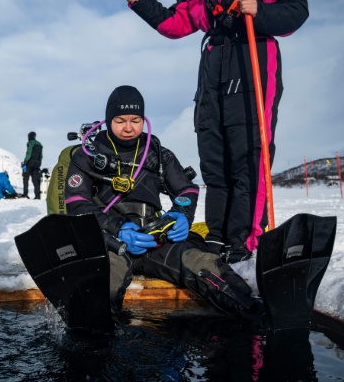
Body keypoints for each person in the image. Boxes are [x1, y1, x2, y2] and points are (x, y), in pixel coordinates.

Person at [121, 0, 308, 263]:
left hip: (252, 55)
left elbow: (296, 12)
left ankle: (244, 239)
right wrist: (143, 1)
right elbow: (176, 23)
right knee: (213, 156)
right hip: (212, 62)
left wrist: (260, 10)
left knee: (248, 153)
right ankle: (218, 236)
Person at [65, 85, 263, 324]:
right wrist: (117, 228)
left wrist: (182, 213)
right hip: (110, 243)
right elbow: (77, 203)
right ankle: (95, 337)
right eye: (120, 121)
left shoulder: (157, 153)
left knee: (203, 264)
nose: (128, 127)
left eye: (136, 120)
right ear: (108, 120)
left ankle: (257, 317)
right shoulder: (87, 155)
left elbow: (186, 189)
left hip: (154, 239)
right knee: (101, 289)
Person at [22, 132, 43, 199]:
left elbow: (29, 153)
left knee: (25, 178)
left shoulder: (30, 143)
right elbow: (40, 156)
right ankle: (37, 195)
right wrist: (39, 163)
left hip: (29, 163)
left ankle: (25, 194)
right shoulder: (39, 144)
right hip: (37, 164)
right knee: (36, 180)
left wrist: (25, 161)